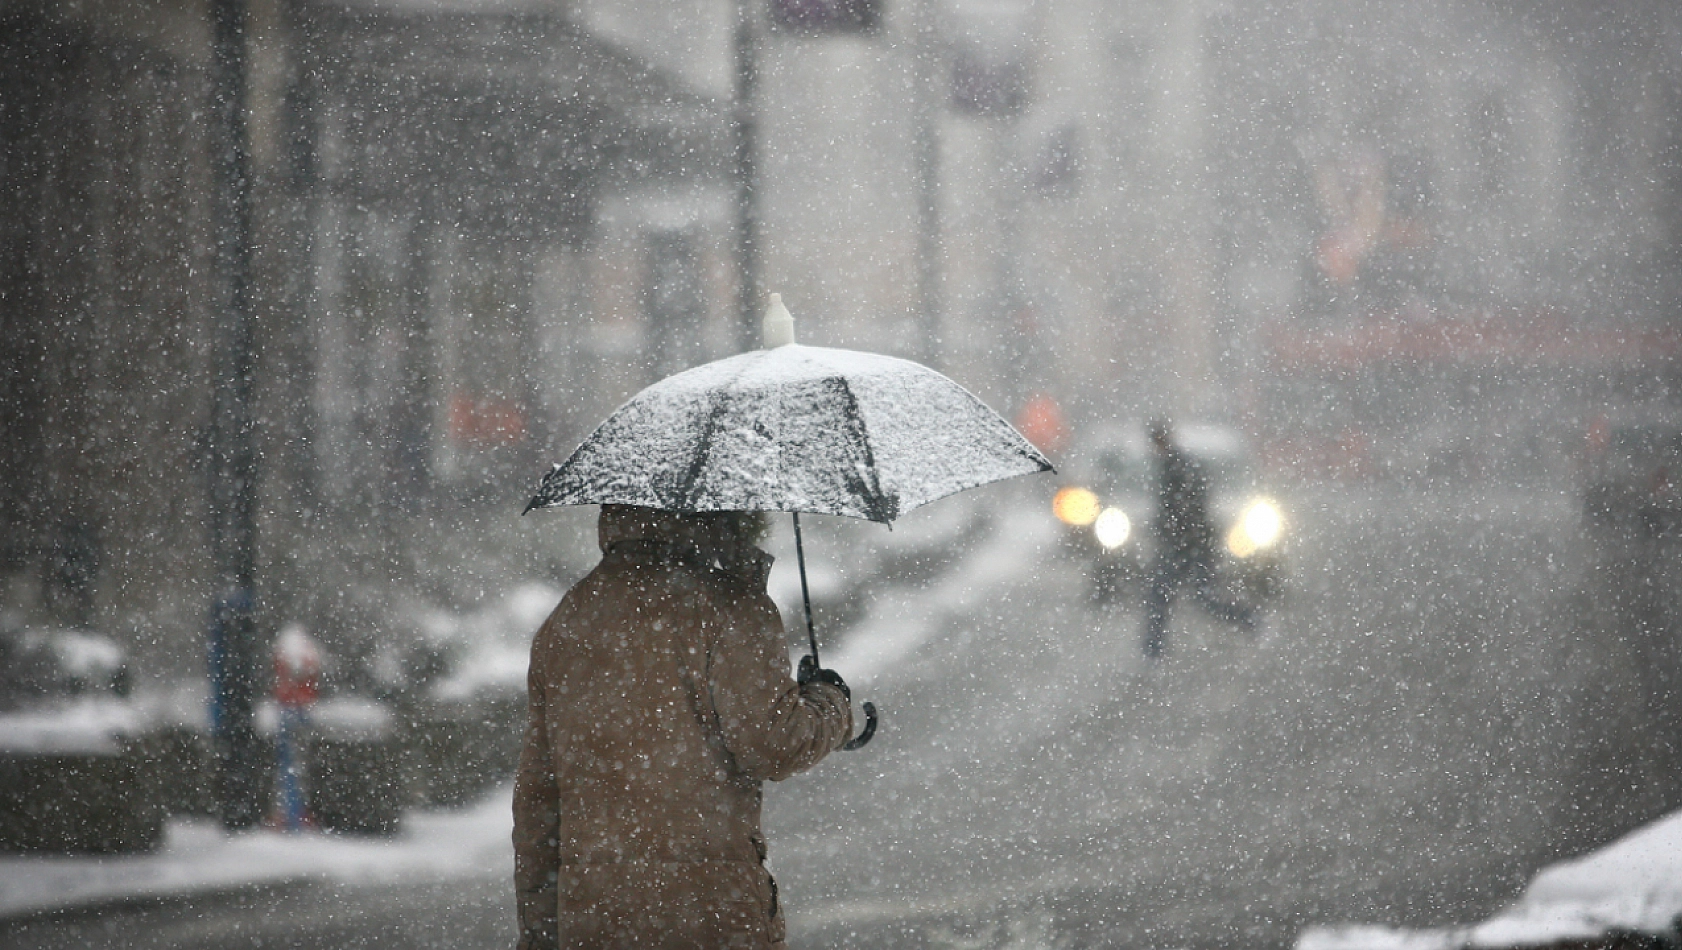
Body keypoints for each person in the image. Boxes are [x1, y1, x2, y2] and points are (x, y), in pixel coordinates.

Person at [513, 504, 854, 950]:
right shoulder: (731, 607)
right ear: (727, 511)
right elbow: (774, 744)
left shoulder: (567, 620)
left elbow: (538, 803)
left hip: (594, 917)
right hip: (710, 912)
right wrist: (831, 703)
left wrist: (539, 934)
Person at [1141, 420, 1257, 658]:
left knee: (1190, 597)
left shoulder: (1178, 467)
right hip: (1188, 545)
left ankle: (1249, 619)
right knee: (1174, 597)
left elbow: (1187, 508)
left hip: (1189, 546)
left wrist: (1175, 531)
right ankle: (1153, 650)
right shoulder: (1173, 465)